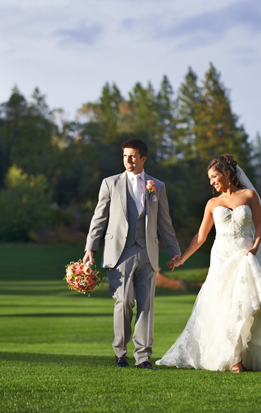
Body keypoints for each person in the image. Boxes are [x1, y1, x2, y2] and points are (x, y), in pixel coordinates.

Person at [156, 154, 261, 373]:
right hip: (221, 258)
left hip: (245, 257)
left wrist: (254, 249)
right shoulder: (212, 203)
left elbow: (260, 227)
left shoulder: (249, 195)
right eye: (210, 178)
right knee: (224, 307)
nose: (211, 182)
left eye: (214, 176)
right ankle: (233, 359)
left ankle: (245, 356)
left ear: (227, 173)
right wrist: (181, 259)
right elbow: (201, 237)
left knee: (246, 307)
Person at [84, 138, 181, 370]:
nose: (128, 159)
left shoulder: (157, 186)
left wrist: (175, 250)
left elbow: (164, 222)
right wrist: (91, 247)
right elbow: (99, 218)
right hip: (120, 253)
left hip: (148, 252)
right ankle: (120, 353)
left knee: (146, 304)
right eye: (125, 155)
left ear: (143, 159)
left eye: (133, 156)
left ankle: (143, 357)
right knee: (124, 302)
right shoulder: (110, 183)